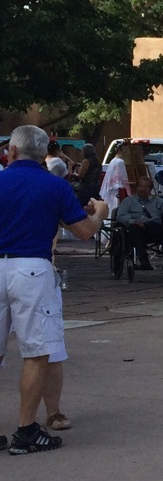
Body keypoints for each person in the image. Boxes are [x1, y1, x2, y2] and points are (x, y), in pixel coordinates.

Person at [0, 125, 108, 454]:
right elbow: (85, 230)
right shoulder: (54, 185)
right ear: (44, 152)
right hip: (32, 267)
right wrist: (100, 214)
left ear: (12, 152)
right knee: (36, 352)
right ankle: (26, 428)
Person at [113, 174, 163, 269]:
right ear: (136, 188)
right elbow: (121, 215)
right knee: (134, 229)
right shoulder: (128, 201)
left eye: (146, 187)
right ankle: (143, 259)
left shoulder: (158, 201)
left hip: (154, 228)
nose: (143, 189)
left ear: (150, 189)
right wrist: (132, 221)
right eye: (141, 186)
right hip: (136, 228)